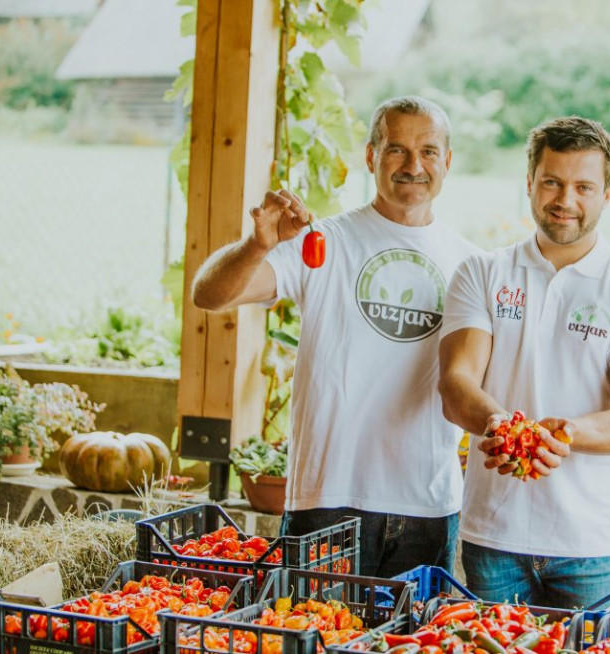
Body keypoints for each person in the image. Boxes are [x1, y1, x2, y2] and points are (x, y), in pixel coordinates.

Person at [192, 96, 479, 577]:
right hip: (326, 497)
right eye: (396, 150)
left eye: (429, 151)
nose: (414, 165)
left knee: (410, 645)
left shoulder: (470, 264)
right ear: (370, 156)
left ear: (447, 162)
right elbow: (209, 294)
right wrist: (258, 244)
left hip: (428, 504)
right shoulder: (320, 241)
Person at [438, 116, 610, 608]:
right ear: (529, 183)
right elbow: (456, 382)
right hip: (493, 536)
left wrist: (558, 435)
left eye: (583, 186)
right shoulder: (482, 273)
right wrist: (505, 428)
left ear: (608, 193)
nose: (565, 200)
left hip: (591, 545)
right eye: (551, 181)